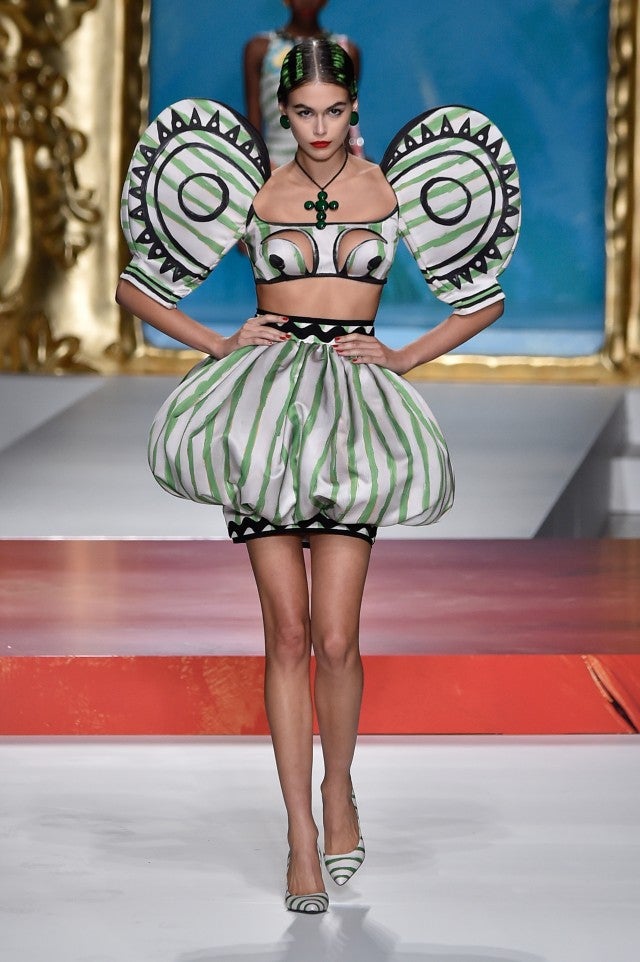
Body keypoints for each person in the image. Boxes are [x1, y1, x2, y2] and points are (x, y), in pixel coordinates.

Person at [116, 39, 519, 914]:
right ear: (284, 113)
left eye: (334, 111)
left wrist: (403, 357)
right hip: (263, 415)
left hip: (351, 416)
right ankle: (300, 832)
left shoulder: (391, 190)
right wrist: (218, 343)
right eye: (305, 112)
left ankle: (339, 788)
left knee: (337, 637)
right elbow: (135, 290)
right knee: (289, 633)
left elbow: (484, 300)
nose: (321, 127)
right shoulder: (255, 190)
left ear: (354, 109)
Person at [243, 0, 363, 164]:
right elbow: (253, 127)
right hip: (275, 165)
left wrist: (355, 167)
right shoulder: (260, 49)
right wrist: (262, 167)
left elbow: (346, 121)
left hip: (332, 168)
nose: (307, 2)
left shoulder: (346, 50)